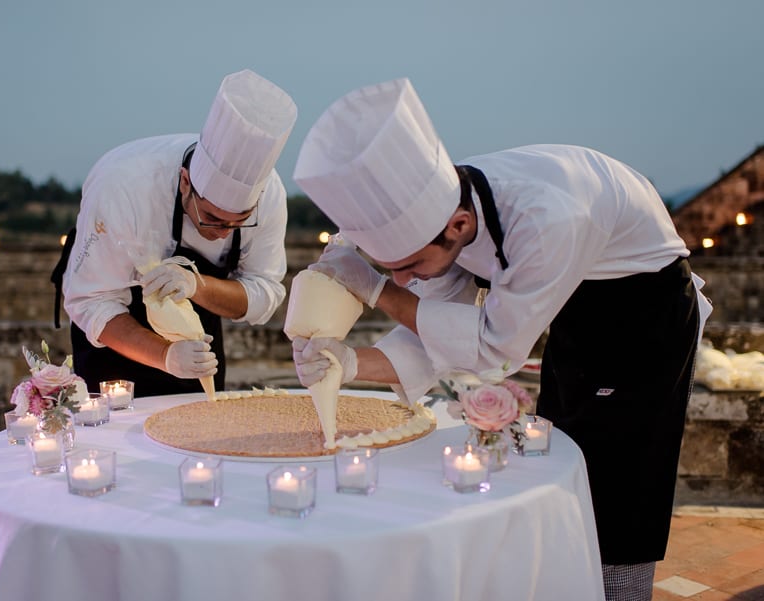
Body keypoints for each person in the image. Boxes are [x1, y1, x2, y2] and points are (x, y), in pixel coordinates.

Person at [291, 78, 712, 601]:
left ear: (459, 225)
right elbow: (440, 326)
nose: (404, 279)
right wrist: (348, 364)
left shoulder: (549, 218)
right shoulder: (447, 214)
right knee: (557, 452)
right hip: (574, 310)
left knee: (621, 482)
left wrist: (376, 289)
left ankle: (618, 591)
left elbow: (492, 350)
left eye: (409, 267)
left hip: (643, 319)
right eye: (391, 269)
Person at [52, 69, 297, 398]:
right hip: (113, 351)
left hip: (196, 341)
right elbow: (92, 302)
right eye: (210, 217)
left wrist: (197, 285)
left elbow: (265, 291)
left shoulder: (269, 197)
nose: (222, 232)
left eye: (238, 221)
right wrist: (164, 355)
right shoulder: (122, 187)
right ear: (185, 182)